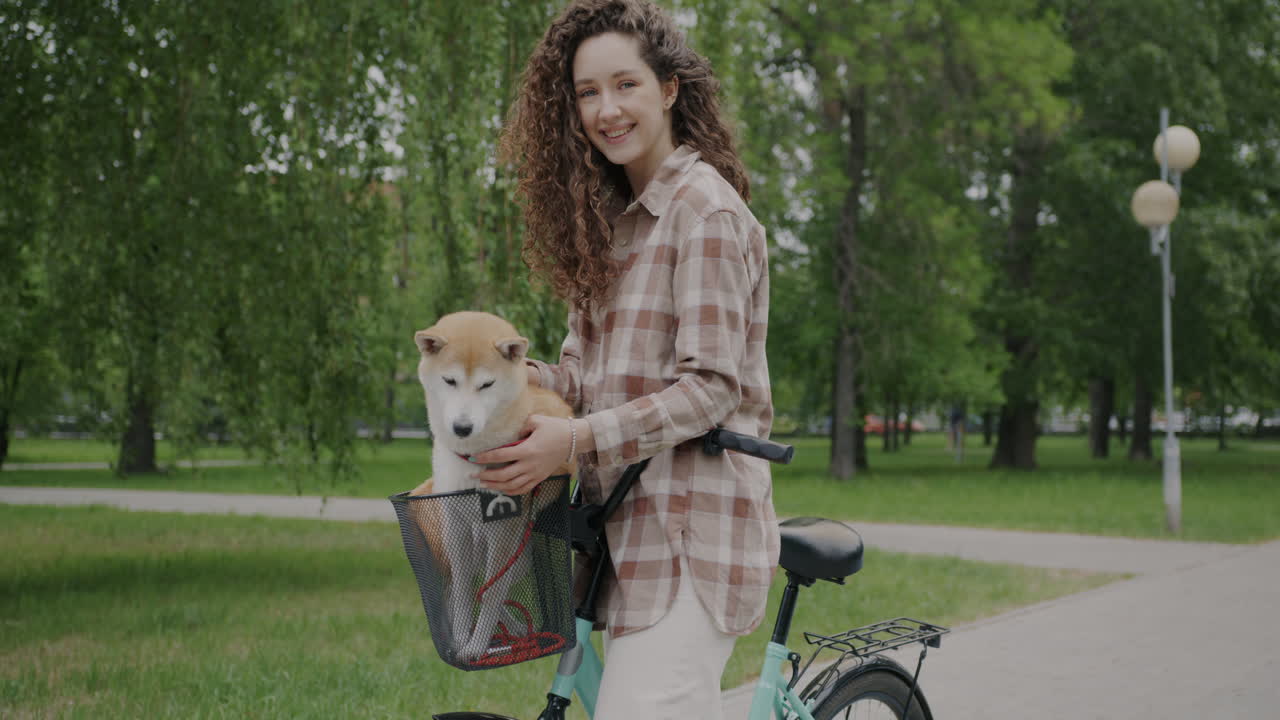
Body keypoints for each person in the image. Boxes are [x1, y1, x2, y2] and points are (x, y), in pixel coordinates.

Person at [469, 1, 778, 717]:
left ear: (669, 88)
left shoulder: (707, 214)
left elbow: (708, 390)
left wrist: (573, 440)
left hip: (689, 538)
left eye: (625, 85)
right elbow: (581, 377)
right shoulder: (613, 227)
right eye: (587, 92)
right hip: (617, 528)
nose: (606, 109)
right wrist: (495, 389)